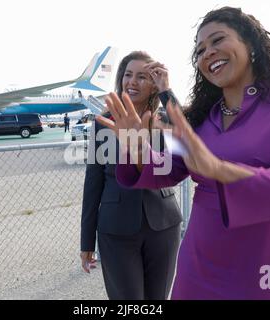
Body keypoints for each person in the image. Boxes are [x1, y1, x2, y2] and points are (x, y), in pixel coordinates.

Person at [97, 7, 270, 299]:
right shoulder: (202, 118)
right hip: (199, 261)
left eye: (217, 40)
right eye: (199, 50)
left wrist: (219, 169)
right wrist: (137, 150)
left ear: (251, 44)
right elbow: (167, 170)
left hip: (263, 266)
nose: (207, 53)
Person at [80, 51, 182, 300]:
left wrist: (167, 90)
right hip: (116, 229)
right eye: (128, 75)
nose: (132, 82)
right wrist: (86, 241)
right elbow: (94, 180)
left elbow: (185, 139)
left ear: (154, 84)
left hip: (163, 225)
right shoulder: (105, 122)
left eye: (142, 77)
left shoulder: (165, 119)